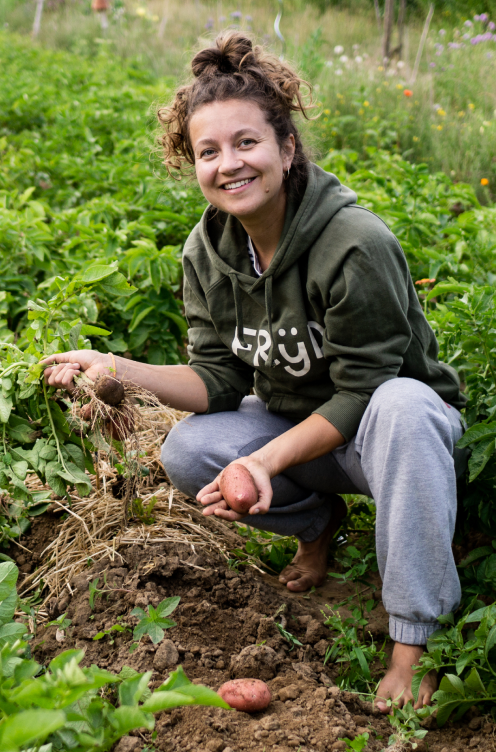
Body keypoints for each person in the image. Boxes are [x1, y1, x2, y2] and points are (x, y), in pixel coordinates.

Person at [43, 32, 467, 713]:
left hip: (395, 445)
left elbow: (365, 392)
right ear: (193, 163)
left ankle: (413, 641)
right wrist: (117, 366)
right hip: (305, 437)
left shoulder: (354, 243)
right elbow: (217, 380)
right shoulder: (207, 252)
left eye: (247, 143)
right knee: (189, 448)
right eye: (208, 151)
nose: (228, 164)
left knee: (405, 406)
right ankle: (315, 525)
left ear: (287, 149)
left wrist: (264, 461)